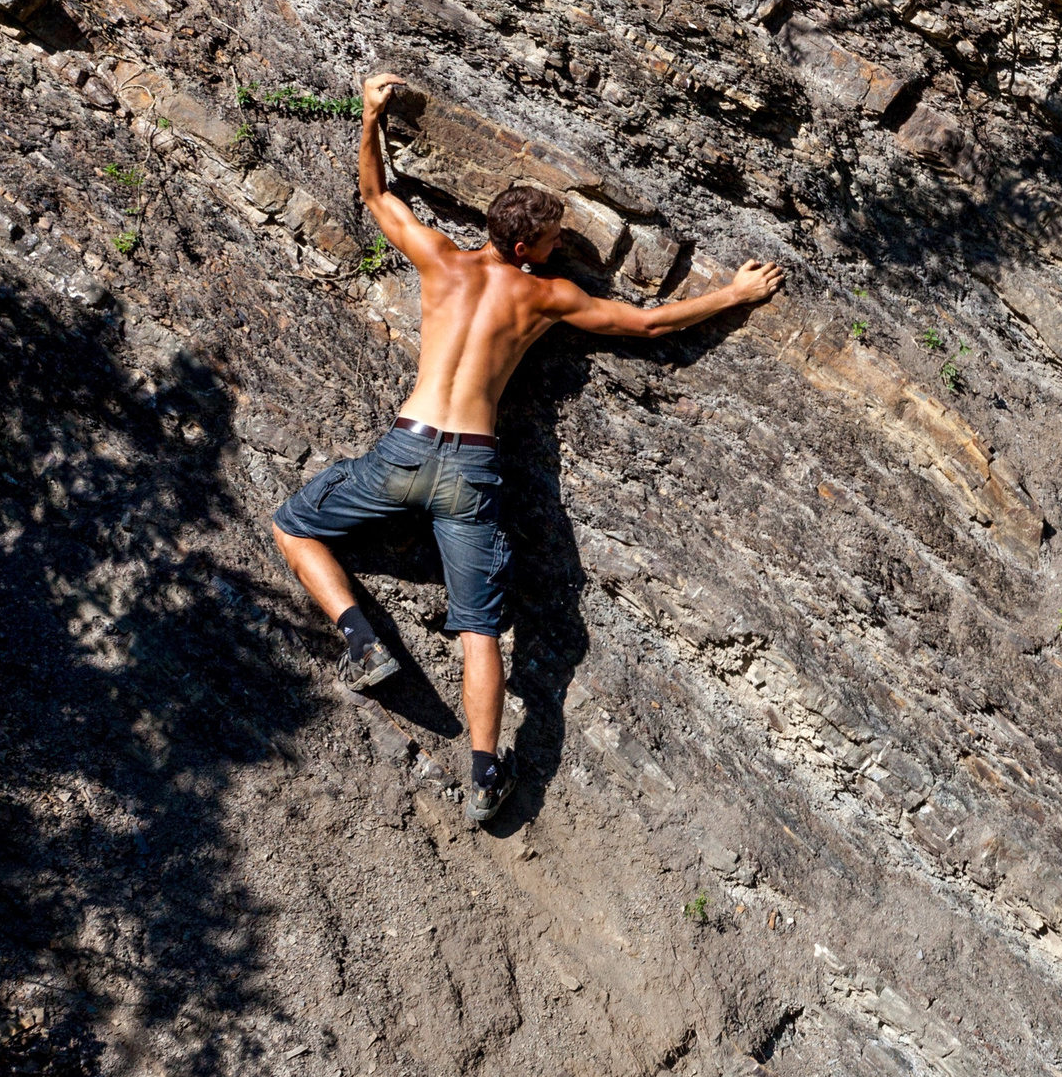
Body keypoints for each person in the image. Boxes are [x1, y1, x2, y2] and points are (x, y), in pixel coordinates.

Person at [271, 72, 785, 824]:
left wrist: (370, 114)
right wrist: (733, 295)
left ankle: (361, 640)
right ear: (523, 245)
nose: (559, 247)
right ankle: (486, 772)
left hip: (405, 451)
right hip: (471, 467)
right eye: (550, 240)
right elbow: (646, 325)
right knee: (479, 626)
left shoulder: (441, 260)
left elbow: (376, 195)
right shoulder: (544, 297)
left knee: (294, 526)